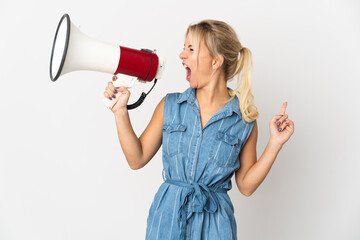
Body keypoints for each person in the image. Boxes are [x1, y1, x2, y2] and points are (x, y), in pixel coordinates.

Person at [104, 19, 294, 240]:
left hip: (215, 226)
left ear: (215, 61)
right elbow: (136, 159)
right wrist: (120, 112)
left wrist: (274, 144)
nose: (181, 55)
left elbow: (246, 186)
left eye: (191, 49)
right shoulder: (170, 106)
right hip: (167, 221)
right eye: (184, 48)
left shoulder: (244, 119)